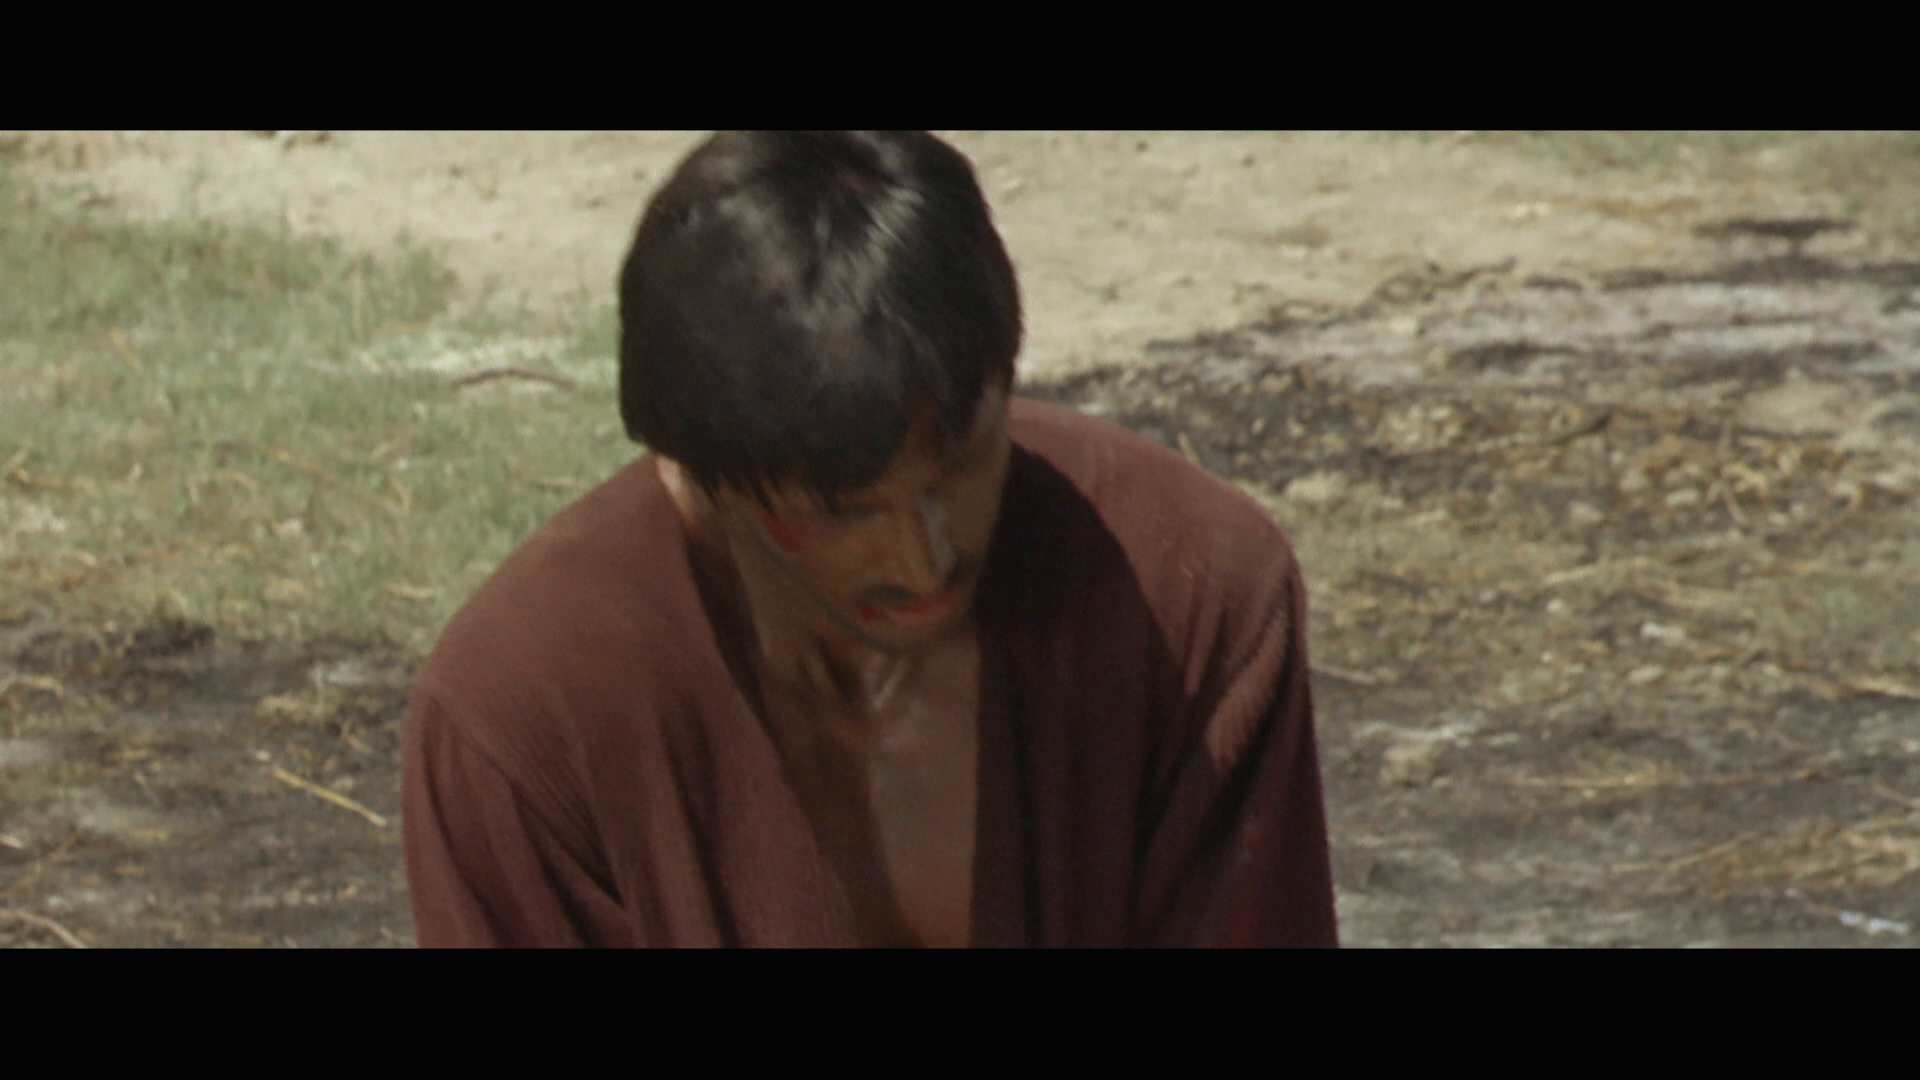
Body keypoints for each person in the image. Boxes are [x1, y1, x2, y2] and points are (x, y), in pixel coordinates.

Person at [401, 131, 1338, 947]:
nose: (925, 559)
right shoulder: (524, 722)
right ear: (704, 476)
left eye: (962, 466)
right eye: (842, 513)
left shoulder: (1189, 593)